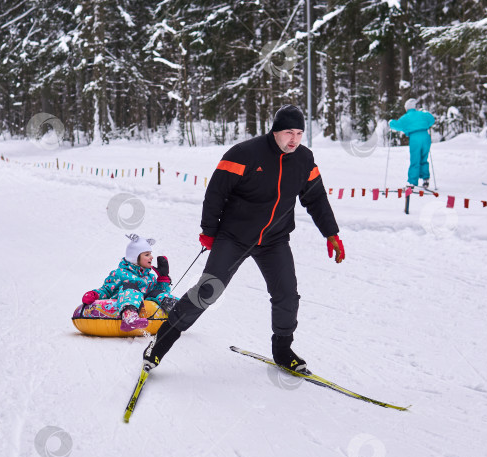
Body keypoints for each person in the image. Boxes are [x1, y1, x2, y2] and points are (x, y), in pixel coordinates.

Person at [142, 104, 345, 374]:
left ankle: (283, 350)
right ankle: (160, 343)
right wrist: (209, 231)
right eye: (288, 132)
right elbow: (216, 193)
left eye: (299, 133)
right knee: (207, 292)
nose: (294, 139)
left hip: (274, 239)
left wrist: (331, 233)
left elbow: (316, 197)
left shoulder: (304, 159)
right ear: (275, 131)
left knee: (287, 295)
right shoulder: (245, 154)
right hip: (234, 237)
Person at [81, 234, 178, 332]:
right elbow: (106, 290)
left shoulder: (150, 277)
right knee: (130, 287)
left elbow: (160, 293)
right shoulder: (120, 273)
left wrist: (163, 278)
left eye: (150, 254)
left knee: (156, 293)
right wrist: (94, 294)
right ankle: (129, 317)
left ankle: (179, 309)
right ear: (135, 257)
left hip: (144, 306)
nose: (151, 257)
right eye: (147, 254)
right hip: (123, 302)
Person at [389, 98, 436, 188]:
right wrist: (425, 112)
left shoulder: (406, 117)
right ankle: (425, 179)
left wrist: (391, 122)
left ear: (407, 108)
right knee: (424, 158)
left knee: (415, 159)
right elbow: (431, 120)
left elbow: (397, 125)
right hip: (426, 137)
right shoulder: (422, 114)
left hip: (415, 138)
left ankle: (412, 182)